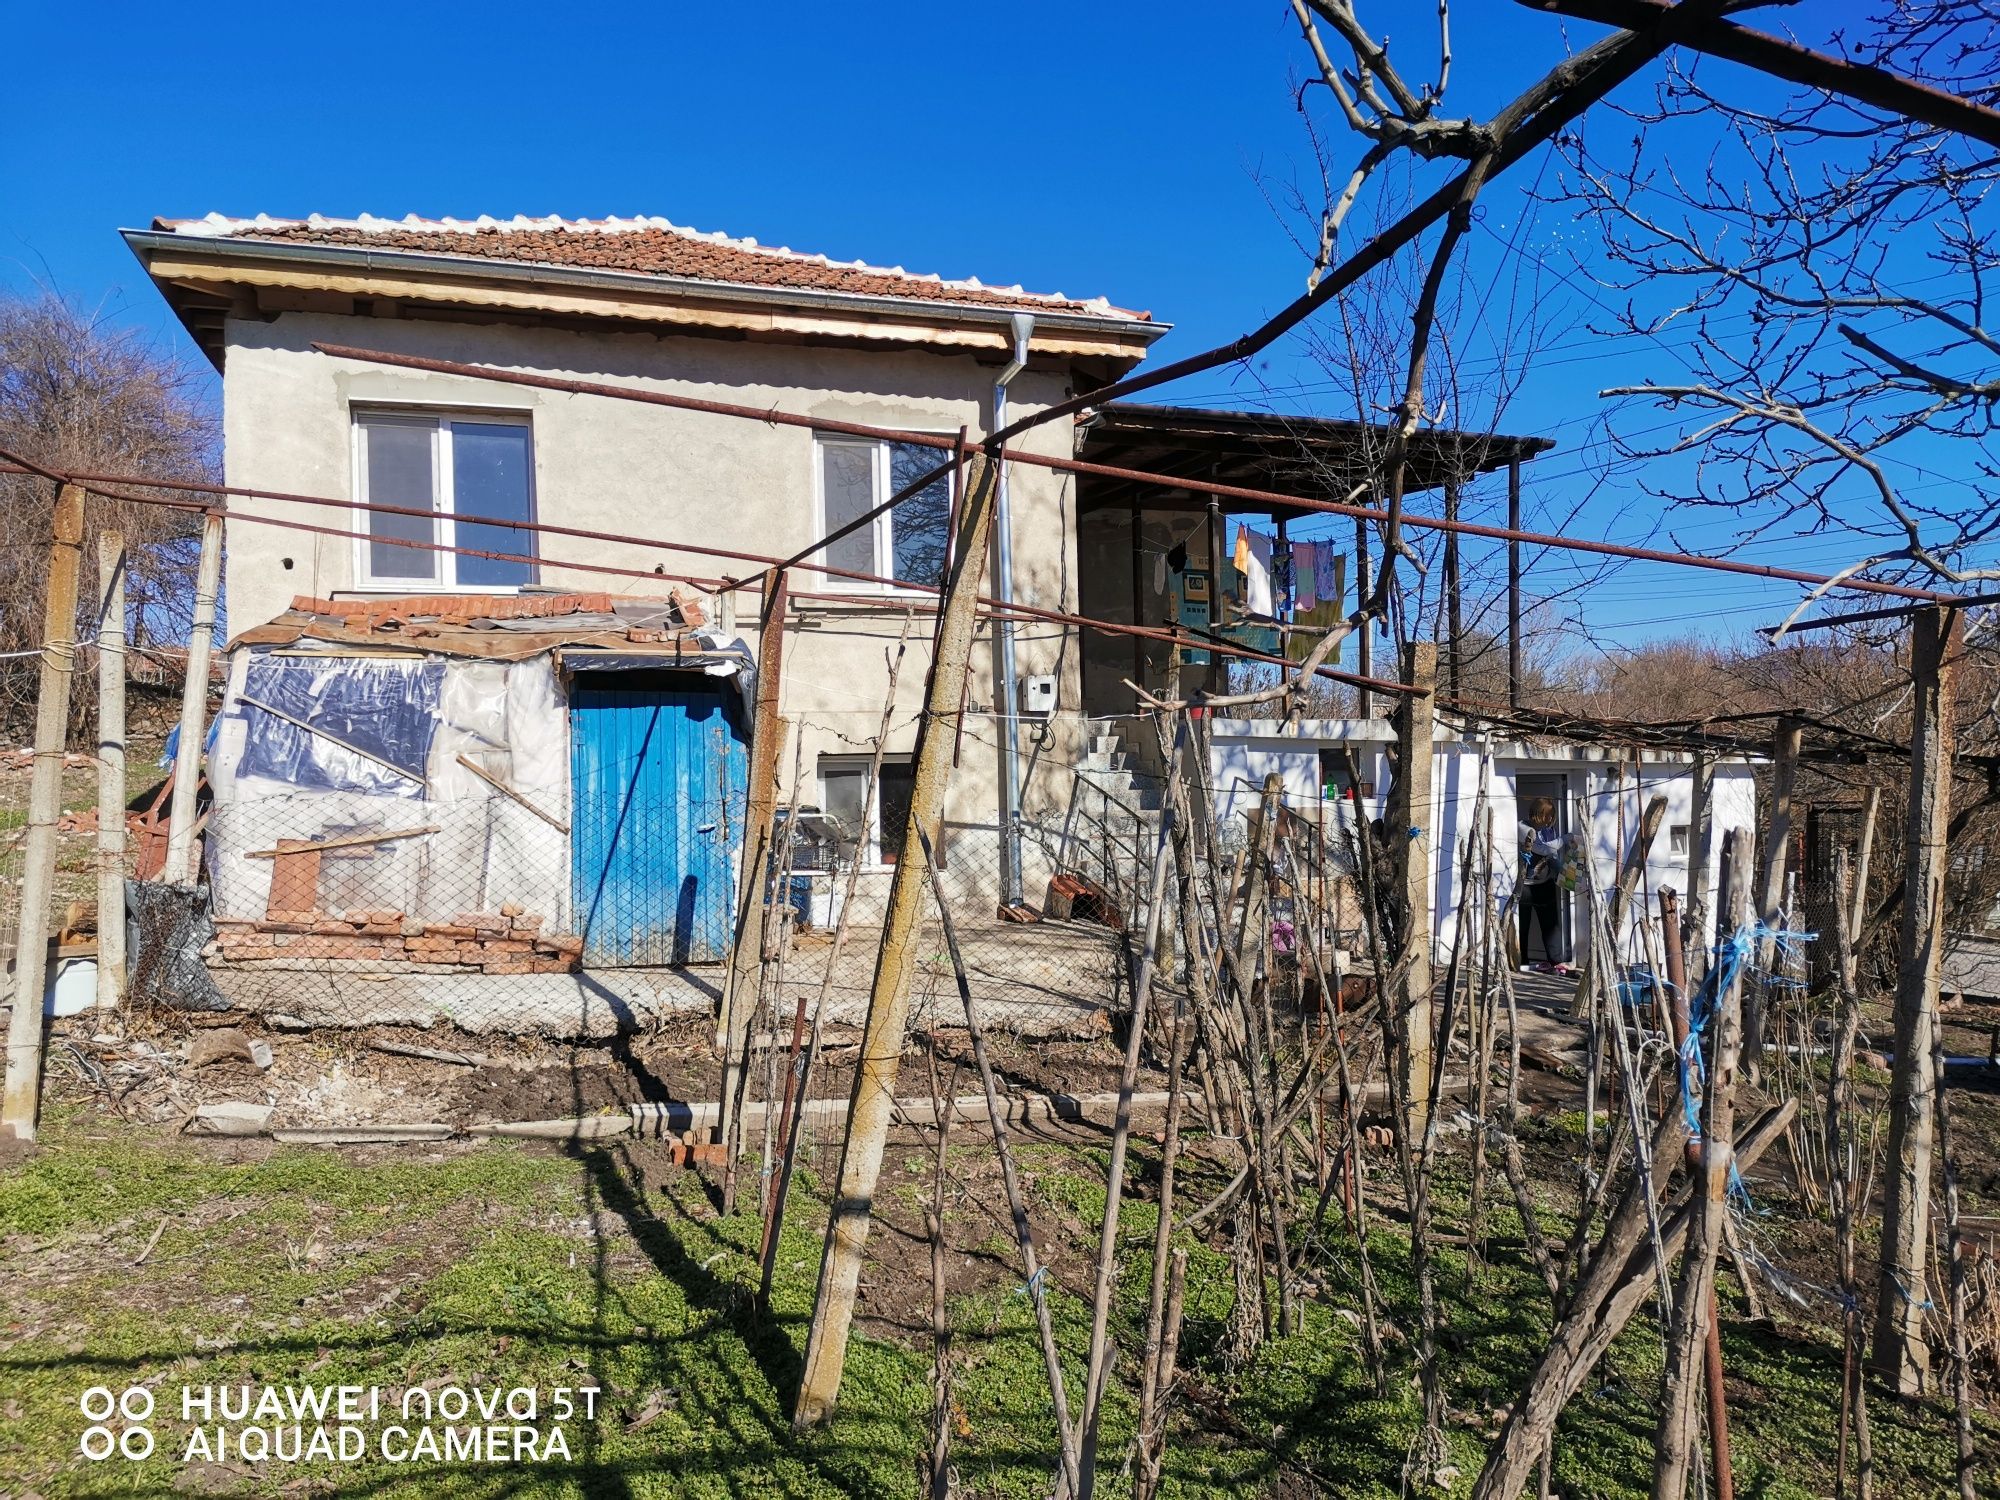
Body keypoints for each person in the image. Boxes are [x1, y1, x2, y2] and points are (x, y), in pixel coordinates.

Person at [1518, 797, 1566, 968]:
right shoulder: (1523, 828)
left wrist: (1567, 875)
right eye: (1546, 816)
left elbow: (1551, 857)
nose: (1549, 820)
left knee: (1550, 925)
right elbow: (1542, 849)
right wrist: (1565, 839)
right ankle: (1521, 962)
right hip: (1524, 885)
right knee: (1522, 925)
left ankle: (1556, 962)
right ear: (1537, 814)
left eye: (1551, 816)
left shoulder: (1548, 830)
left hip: (1544, 883)